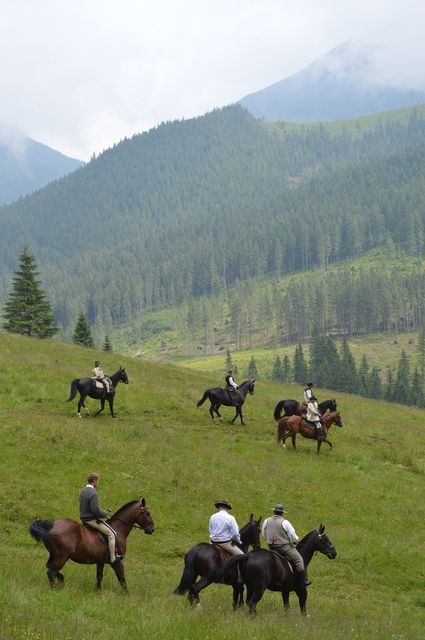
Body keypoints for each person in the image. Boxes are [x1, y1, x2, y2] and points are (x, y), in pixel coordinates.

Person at [262, 504, 311, 587]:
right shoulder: (285, 522)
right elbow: (293, 536)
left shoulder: (266, 521)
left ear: (274, 511)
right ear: (282, 513)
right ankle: (303, 580)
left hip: (271, 547)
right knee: (299, 559)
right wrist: (294, 541)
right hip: (283, 547)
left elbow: (264, 534)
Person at [79, 472, 119, 565]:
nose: (98, 483)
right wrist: (105, 513)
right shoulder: (93, 493)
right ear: (94, 481)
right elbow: (95, 511)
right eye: (98, 481)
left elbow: (88, 507)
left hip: (83, 519)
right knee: (112, 534)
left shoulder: (82, 491)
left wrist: (103, 510)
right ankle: (113, 559)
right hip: (91, 520)